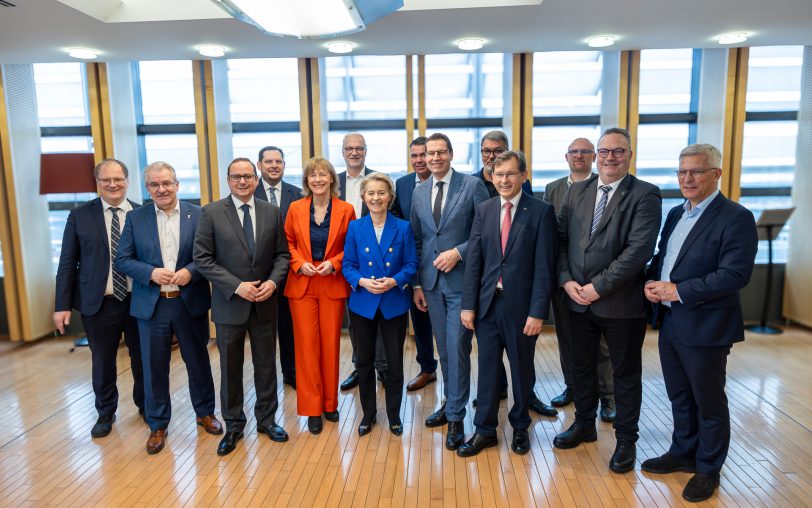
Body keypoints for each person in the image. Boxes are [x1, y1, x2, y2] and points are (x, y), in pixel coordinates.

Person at [642, 144, 757, 502]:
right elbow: (665, 257)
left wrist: (677, 290)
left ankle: (708, 468)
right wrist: (652, 281)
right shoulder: (677, 213)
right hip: (673, 320)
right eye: (682, 172)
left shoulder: (736, 217)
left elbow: (735, 275)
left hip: (706, 324)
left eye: (695, 172)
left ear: (716, 174)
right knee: (678, 394)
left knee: (707, 400)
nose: (687, 179)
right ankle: (683, 452)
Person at [552, 127, 661, 475]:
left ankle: (626, 440)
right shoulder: (578, 191)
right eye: (604, 151)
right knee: (581, 368)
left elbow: (638, 251)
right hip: (576, 300)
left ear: (629, 155)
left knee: (625, 373)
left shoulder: (645, 195)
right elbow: (562, 241)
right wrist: (567, 280)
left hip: (620, 303)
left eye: (618, 151)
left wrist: (597, 287)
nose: (610, 157)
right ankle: (584, 425)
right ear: (596, 156)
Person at [115, 161, 220, 454]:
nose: (161, 189)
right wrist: (150, 272)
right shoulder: (136, 219)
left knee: (198, 362)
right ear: (147, 188)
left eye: (166, 183)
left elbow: (209, 255)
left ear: (177, 184)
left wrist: (191, 271)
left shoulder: (198, 215)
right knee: (153, 367)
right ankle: (158, 423)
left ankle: (206, 413)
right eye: (154, 185)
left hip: (189, 303)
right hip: (152, 305)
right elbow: (122, 259)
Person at [458, 151, 557, 457]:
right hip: (488, 306)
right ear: (491, 176)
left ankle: (520, 426)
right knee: (487, 371)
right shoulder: (485, 209)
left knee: (521, 370)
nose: (504, 180)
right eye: (498, 174)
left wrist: (537, 311)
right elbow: (475, 260)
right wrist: (468, 305)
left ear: (523, 176)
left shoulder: (540, 211)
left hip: (522, 310)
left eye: (511, 174)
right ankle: (485, 430)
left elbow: (544, 267)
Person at [193, 158, 290, 456]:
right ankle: (233, 425)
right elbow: (203, 258)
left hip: (264, 302)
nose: (243, 182)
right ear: (228, 180)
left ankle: (267, 420)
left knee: (265, 366)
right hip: (229, 303)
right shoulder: (210, 213)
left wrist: (272, 283)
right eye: (237, 177)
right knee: (230, 368)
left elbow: (282, 256)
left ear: (257, 179)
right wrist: (237, 286)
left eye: (248, 176)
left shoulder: (272, 212)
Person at [53, 158, 144, 439]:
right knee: (102, 361)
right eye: (106, 180)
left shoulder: (143, 214)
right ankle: (106, 412)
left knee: (143, 358)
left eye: (118, 179)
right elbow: (67, 262)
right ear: (98, 183)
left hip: (138, 300)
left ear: (127, 181)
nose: (113, 184)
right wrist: (61, 306)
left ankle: (147, 406)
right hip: (99, 302)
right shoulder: (80, 215)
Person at [410, 132, 489, 450]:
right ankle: (449, 403)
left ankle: (456, 417)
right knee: (443, 349)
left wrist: (459, 251)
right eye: (430, 153)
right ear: (424, 157)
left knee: (458, 349)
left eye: (441, 152)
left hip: (462, 282)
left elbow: (487, 232)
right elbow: (418, 240)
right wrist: (417, 283)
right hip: (430, 285)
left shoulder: (472, 186)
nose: (435, 158)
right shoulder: (419, 192)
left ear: (452, 154)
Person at [544, 138, 616, 422]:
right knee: (567, 337)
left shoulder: (604, 186)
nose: (579, 156)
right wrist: (562, 276)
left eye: (584, 152)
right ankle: (573, 387)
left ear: (594, 157)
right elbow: (552, 233)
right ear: (566, 157)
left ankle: (608, 396)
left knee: (602, 344)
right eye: (574, 152)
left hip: (598, 280)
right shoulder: (553, 189)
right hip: (564, 277)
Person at [343, 173, 418, 436]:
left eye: (381, 193)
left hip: (393, 302)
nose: (376, 198)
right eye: (371, 193)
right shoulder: (355, 227)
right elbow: (348, 265)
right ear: (364, 197)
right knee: (364, 362)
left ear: (390, 197)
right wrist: (362, 281)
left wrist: (394, 281)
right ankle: (369, 414)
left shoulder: (403, 227)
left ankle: (395, 415)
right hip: (363, 302)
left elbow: (411, 265)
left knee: (395, 363)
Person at [285, 157, 356, 435]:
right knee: (306, 349)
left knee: (330, 346)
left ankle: (329, 404)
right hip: (302, 283)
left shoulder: (346, 209)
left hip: (331, 282)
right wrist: (298, 262)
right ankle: (312, 409)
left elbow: (351, 245)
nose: (317, 179)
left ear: (331, 179)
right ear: (307, 181)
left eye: (322, 174)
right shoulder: (294, 208)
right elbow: (287, 242)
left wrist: (335, 263)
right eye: (312, 175)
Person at [336, 132, 387, 391]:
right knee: (354, 316)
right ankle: (360, 366)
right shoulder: (332, 182)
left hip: (373, 258)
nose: (354, 153)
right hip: (342, 258)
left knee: (377, 314)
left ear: (366, 151)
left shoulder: (378, 180)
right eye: (349, 149)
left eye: (359, 148)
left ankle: (382, 367)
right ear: (343, 152)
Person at [254, 145, 302, 389]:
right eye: (268, 161)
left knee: (289, 327)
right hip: (258, 274)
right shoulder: (249, 193)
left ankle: (291, 373)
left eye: (278, 161)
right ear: (259, 165)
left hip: (291, 271)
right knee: (262, 332)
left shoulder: (298, 194)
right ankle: (265, 380)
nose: (274, 165)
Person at [391, 136, 436, 392]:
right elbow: (396, 216)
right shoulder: (403, 183)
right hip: (412, 262)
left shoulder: (452, 183)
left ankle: (455, 373)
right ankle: (427, 367)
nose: (420, 160)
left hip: (443, 261)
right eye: (415, 156)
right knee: (419, 319)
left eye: (424, 154)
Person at [471, 130, 533, 198]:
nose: (491, 156)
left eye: (497, 151)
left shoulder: (521, 182)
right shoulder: (470, 183)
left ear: (507, 153)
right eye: (486, 151)